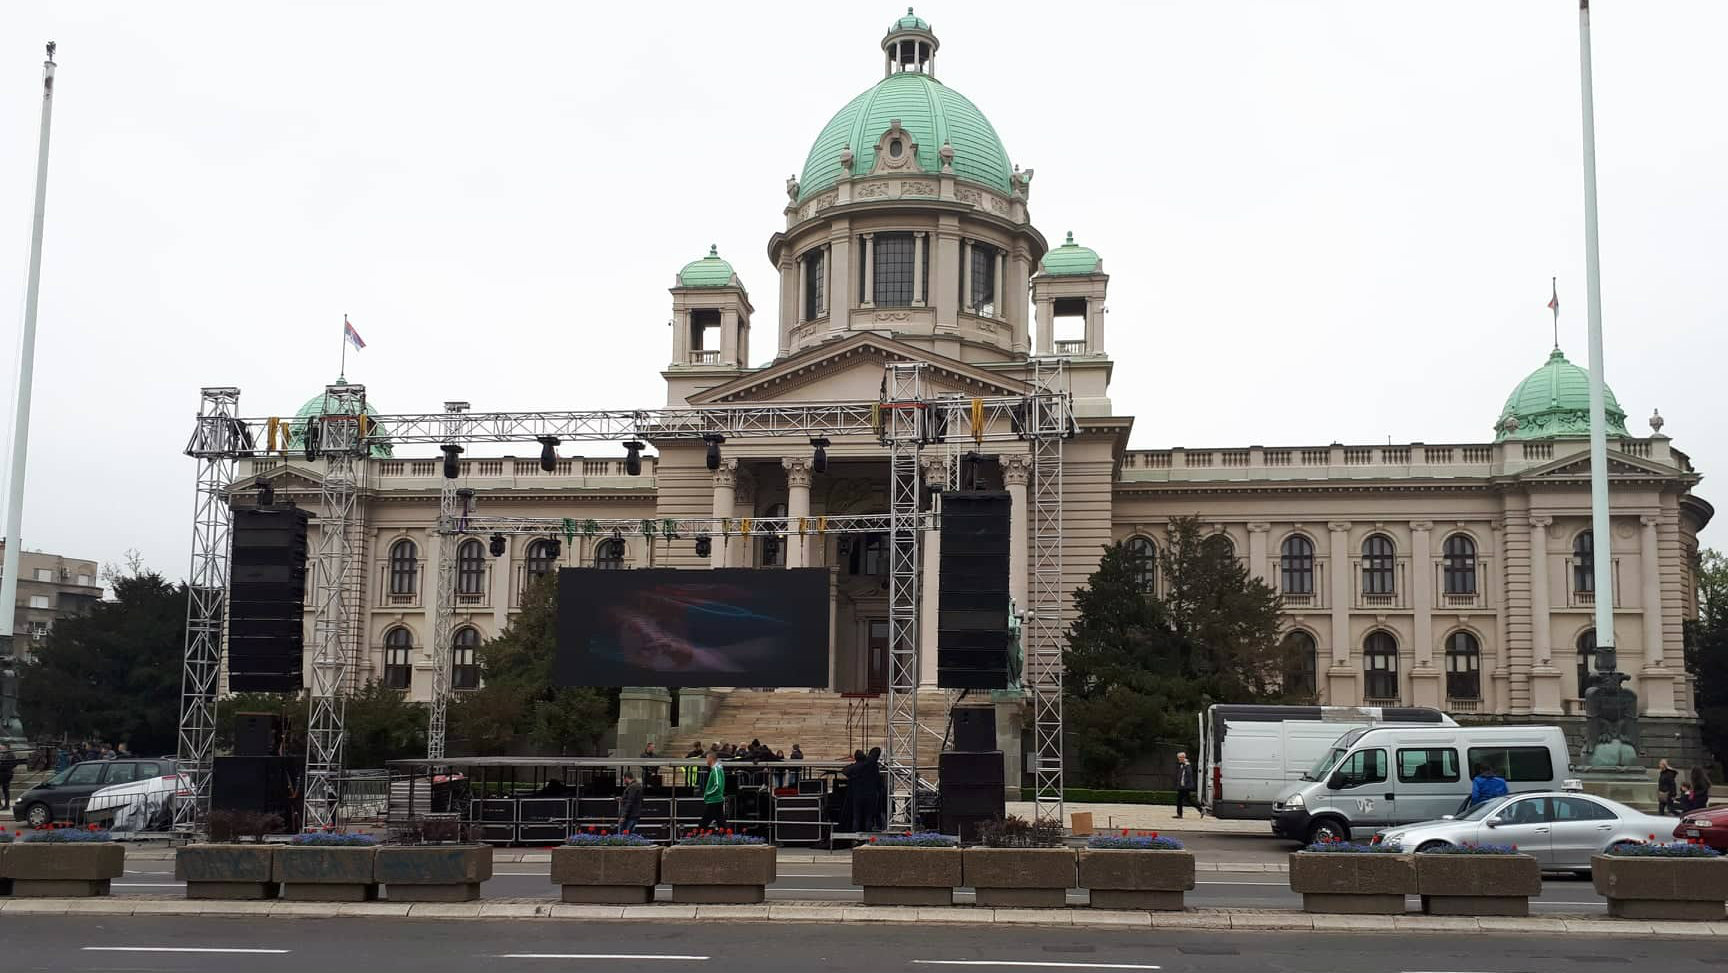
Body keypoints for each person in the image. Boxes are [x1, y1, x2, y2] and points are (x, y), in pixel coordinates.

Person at [699, 751, 728, 829]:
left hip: (713, 799)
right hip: (717, 799)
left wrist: (708, 793)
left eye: (707, 759)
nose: (706, 761)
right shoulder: (718, 769)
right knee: (721, 822)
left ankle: (697, 838)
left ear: (711, 759)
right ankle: (727, 838)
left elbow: (717, 785)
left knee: (704, 823)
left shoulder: (715, 770)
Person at [1174, 751, 1200, 819]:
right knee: (1186, 800)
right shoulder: (1182, 764)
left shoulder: (1187, 764)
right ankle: (1200, 809)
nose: (1179, 759)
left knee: (1183, 800)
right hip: (1182, 785)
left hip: (1185, 786)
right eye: (1178, 757)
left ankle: (1180, 814)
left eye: (1180, 757)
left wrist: (1184, 784)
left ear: (1183, 757)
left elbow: (1189, 774)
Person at [0, 743, 16, 809]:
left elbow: (14, 763)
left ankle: (6, 805)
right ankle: (2, 805)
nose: (1, 748)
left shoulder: (10, 754)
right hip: (3, 774)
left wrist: (7, 768)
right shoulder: (4, 753)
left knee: (5, 790)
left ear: (6, 747)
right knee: (5, 790)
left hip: (6, 774)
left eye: (2, 747)